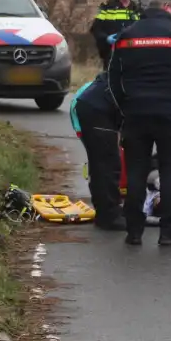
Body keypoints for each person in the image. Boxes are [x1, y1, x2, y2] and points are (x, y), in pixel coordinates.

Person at [109, 0, 171, 246]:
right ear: (170, 7)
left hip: (135, 115)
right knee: (170, 173)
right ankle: (168, 232)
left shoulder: (125, 36)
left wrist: (123, 110)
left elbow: (113, 79)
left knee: (137, 172)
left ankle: (134, 232)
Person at [69, 71, 126, 231]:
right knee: (107, 162)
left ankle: (107, 212)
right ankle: (108, 216)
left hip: (92, 103)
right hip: (92, 108)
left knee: (104, 160)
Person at [90, 0, 143, 68]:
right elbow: (96, 28)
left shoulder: (137, 9)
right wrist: (106, 38)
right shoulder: (107, 7)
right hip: (111, 53)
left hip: (133, 54)